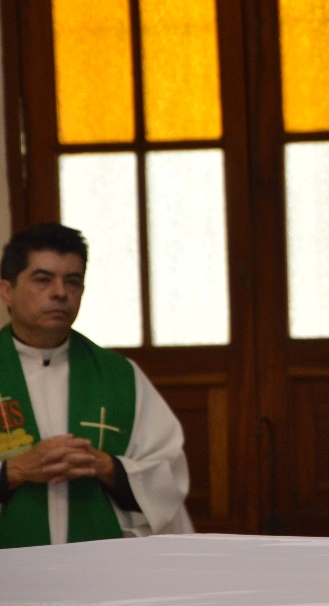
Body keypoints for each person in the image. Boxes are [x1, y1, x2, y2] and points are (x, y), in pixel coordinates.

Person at [0, 223, 192, 547]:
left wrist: (109, 468)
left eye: (73, 281)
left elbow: (167, 474)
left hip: (100, 563)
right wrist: (14, 472)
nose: (60, 292)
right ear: (7, 291)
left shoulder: (120, 376)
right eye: (43, 279)